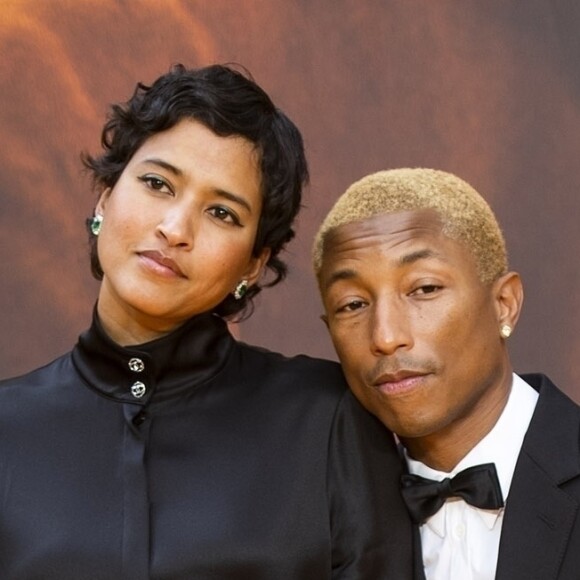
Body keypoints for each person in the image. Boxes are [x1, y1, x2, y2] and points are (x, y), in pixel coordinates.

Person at [0, 65, 414, 579]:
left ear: (254, 264)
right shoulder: (8, 428)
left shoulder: (326, 419)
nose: (174, 229)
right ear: (104, 197)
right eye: (157, 183)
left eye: (222, 213)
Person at [313, 167, 580, 580]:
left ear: (504, 304)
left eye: (424, 289)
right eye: (352, 304)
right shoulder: (320, 512)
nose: (385, 337)